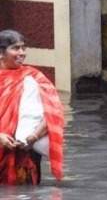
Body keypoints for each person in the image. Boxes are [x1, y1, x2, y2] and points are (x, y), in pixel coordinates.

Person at [0, 29, 64, 185]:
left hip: (26, 154)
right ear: (1, 53)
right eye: (15, 48)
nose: (22, 53)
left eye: (23, 48)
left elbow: (54, 114)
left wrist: (34, 136)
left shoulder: (35, 78)